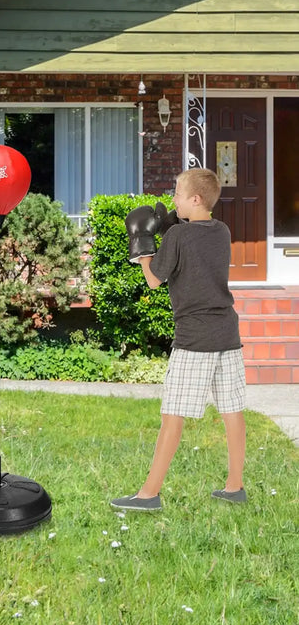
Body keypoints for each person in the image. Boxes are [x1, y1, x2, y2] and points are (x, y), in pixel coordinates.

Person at [111, 168, 247, 512]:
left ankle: (148, 495)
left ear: (195, 199)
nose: (173, 200)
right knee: (232, 409)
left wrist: (143, 247)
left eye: (177, 194)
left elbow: (155, 279)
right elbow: (197, 248)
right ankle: (235, 486)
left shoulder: (177, 238)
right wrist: (175, 221)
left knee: (173, 415)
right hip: (227, 332)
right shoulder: (222, 231)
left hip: (194, 338)